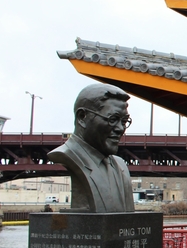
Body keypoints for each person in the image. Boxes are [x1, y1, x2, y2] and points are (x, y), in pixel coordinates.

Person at [48, 84, 135, 213]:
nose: (120, 128)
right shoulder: (66, 155)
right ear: (82, 117)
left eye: (124, 121)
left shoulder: (121, 166)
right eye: (113, 119)